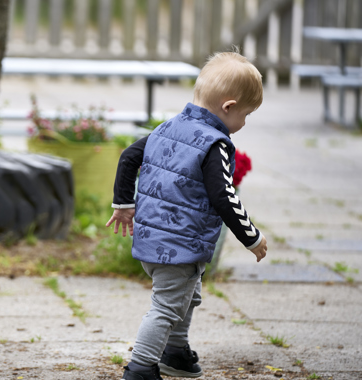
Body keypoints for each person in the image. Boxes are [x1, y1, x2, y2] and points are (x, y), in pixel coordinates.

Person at [106, 51, 268, 380]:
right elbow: (224, 196)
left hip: (153, 239)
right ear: (228, 107)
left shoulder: (168, 127)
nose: (244, 123)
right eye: (246, 114)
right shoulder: (216, 144)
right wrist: (252, 237)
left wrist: (123, 204)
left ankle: (175, 352)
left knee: (187, 294)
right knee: (166, 307)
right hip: (181, 244)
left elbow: (127, 157)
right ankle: (140, 368)